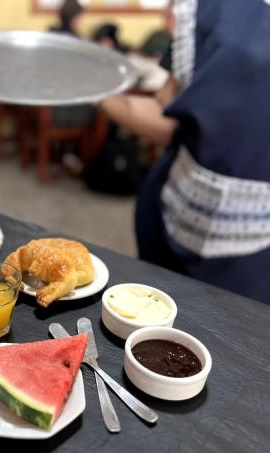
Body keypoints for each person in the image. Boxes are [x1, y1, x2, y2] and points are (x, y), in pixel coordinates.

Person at [101, 0, 270, 305]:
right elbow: (168, 112)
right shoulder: (208, 10)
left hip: (256, 248)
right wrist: (91, 90)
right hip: (177, 214)